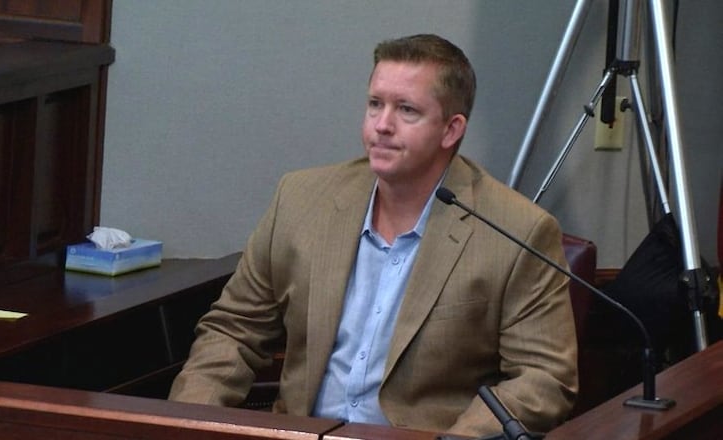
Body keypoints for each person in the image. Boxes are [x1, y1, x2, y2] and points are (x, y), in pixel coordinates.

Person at [169, 33, 578, 437]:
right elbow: (234, 330)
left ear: (451, 130)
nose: (382, 125)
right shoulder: (300, 200)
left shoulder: (516, 230)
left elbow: (542, 380)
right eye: (375, 104)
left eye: (407, 110)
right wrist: (186, 427)